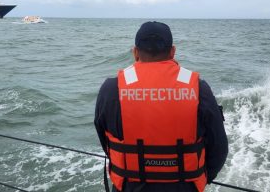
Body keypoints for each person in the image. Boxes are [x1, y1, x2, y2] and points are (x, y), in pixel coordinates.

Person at [94, 21, 228, 192]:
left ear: (135, 52)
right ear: (172, 51)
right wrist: (199, 177)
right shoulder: (198, 88)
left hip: (129, 187)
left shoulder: (111, 88)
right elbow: (219, 148)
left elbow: (105, 140)